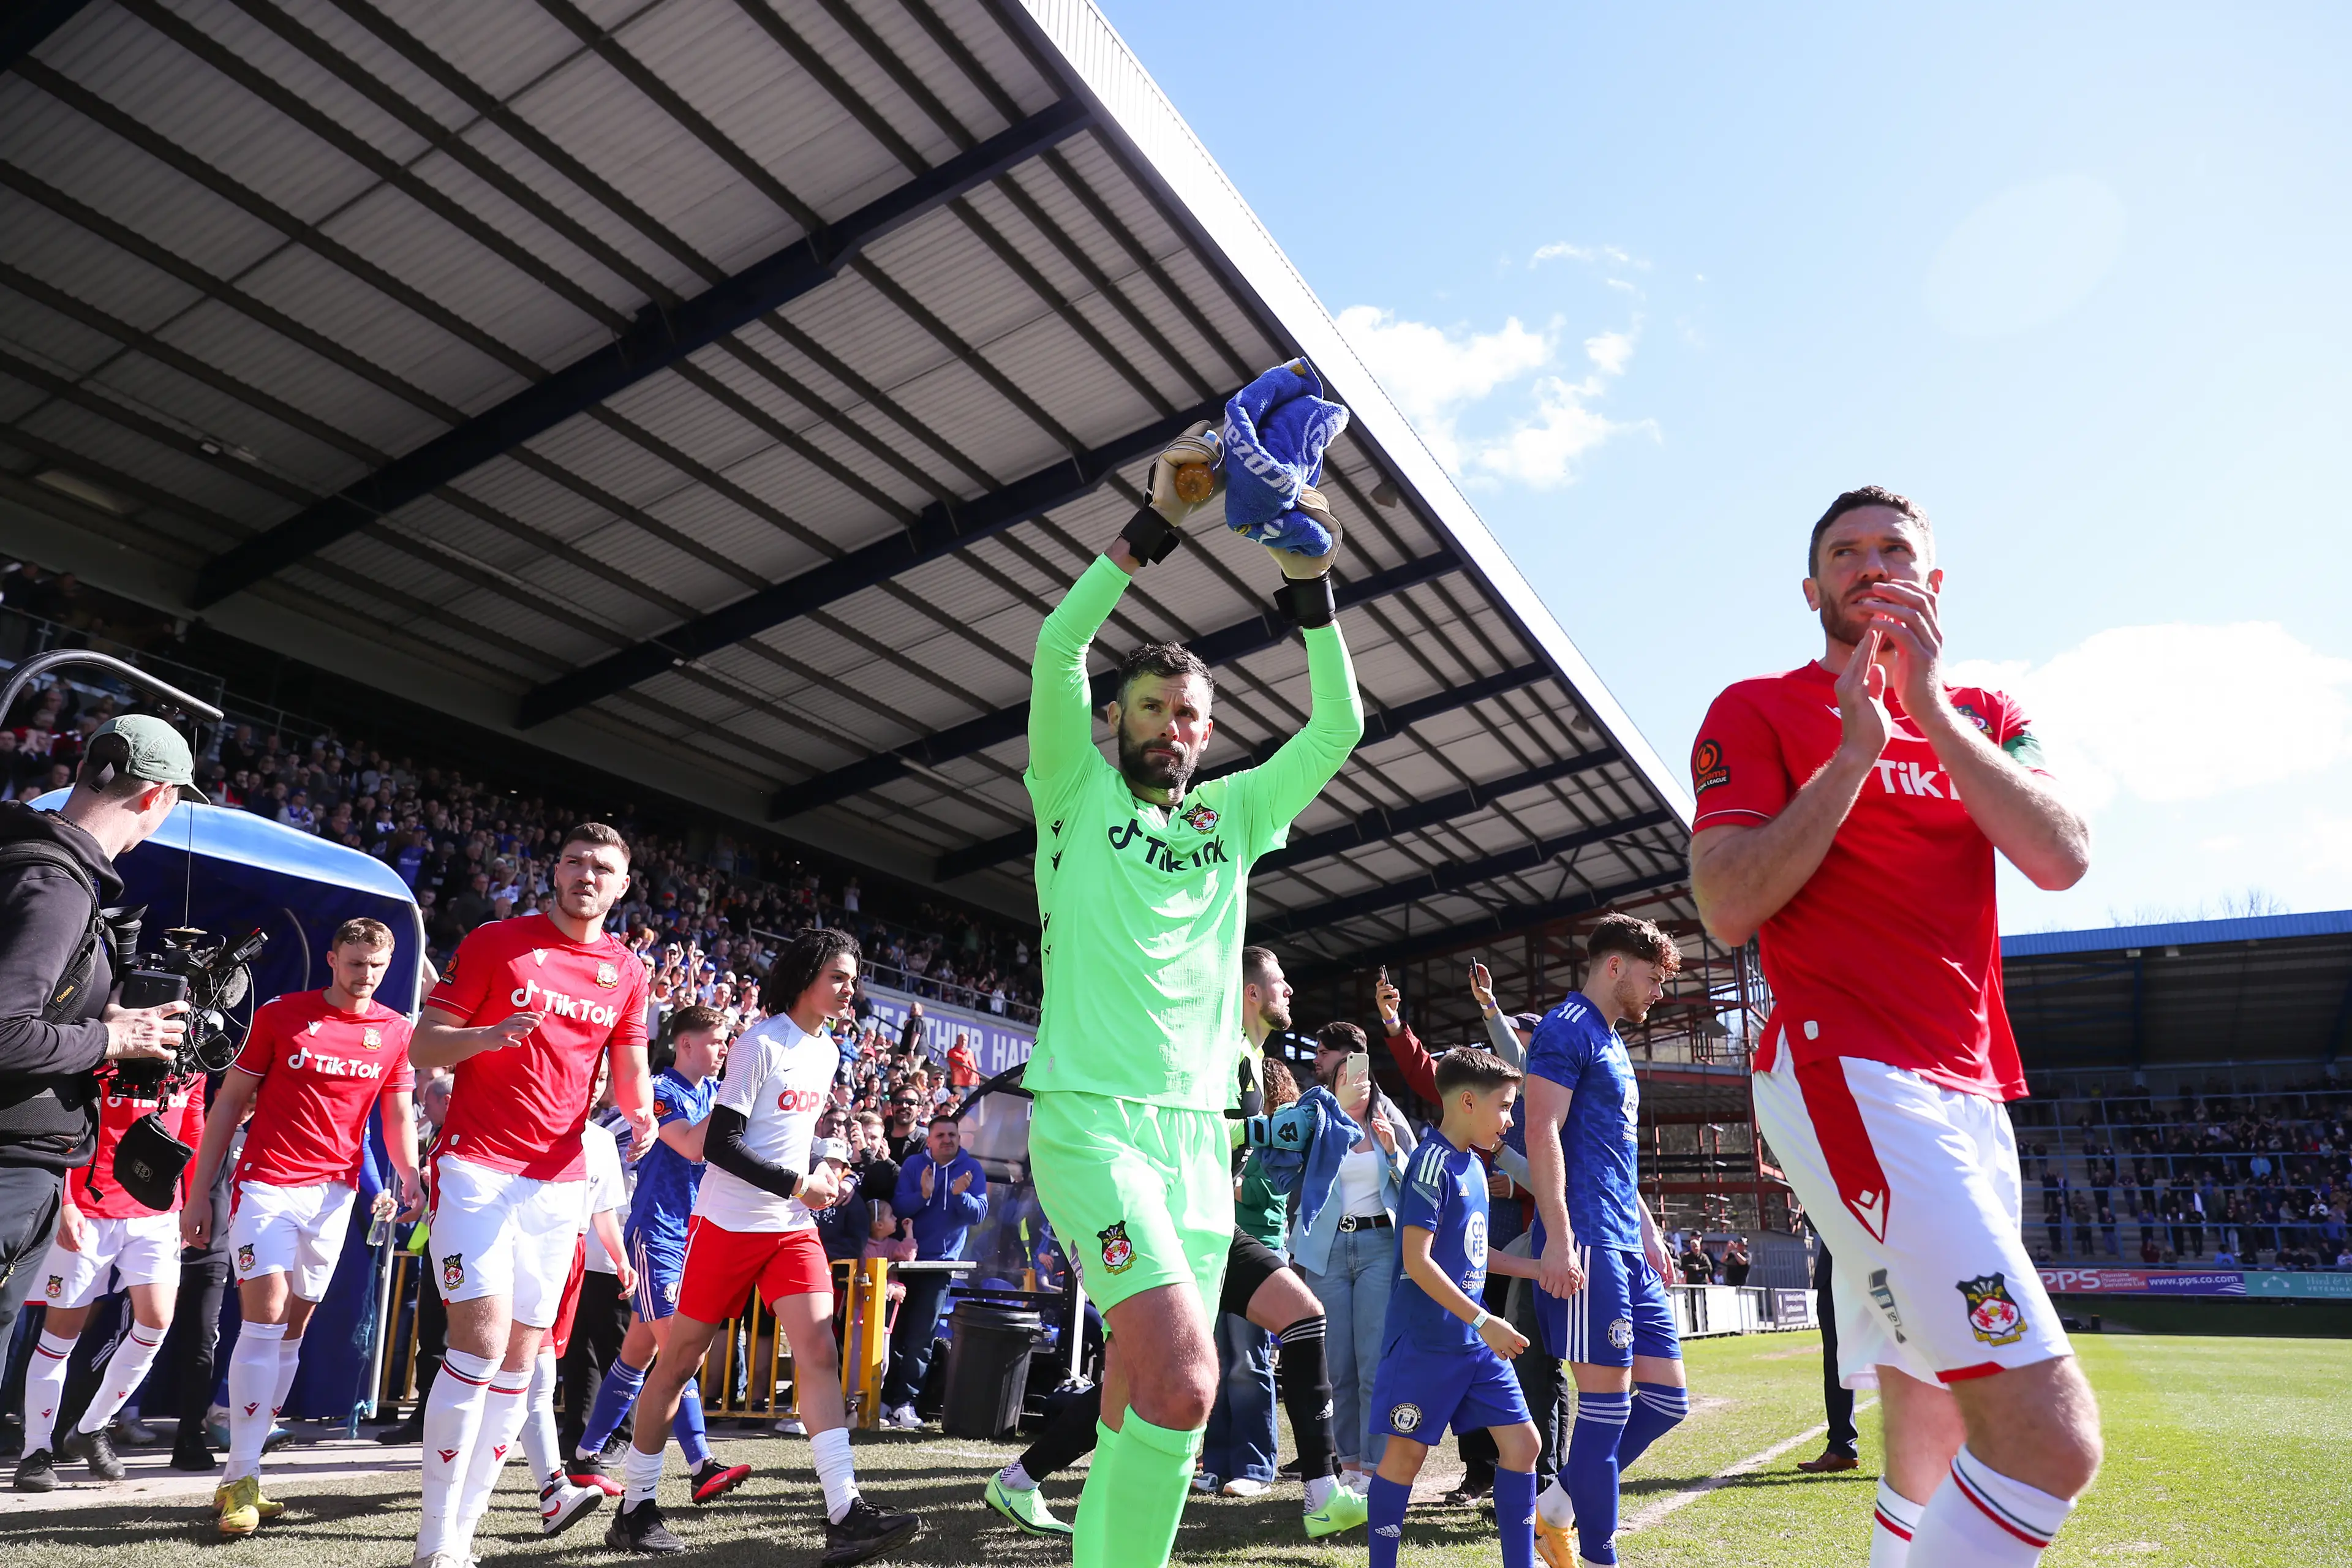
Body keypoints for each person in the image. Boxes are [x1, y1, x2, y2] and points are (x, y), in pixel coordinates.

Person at [1689, 486, 2100, 1567]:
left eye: (1893, 551)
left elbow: (2061, 857)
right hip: (1848, 1072)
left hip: (1973, 1091)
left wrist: (1932, 710)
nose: (1870, 567)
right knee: (2050, 1439)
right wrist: (1856, 751)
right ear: (1812, 587)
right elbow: (1727, 904)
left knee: (1931, 1413)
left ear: (1934, 582)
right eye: (1846, 553)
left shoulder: (1991, 710)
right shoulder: (1757, 708)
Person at [1018, 420, 1362, 1568]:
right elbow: (1058, 650)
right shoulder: (1073, 782)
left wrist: (1310, 586)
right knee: (1186, 1377)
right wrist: (1157, 523)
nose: (1179, 730)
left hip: (1198, 1141)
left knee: (1138, 1400)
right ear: (1121, 720)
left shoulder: (1232, 819)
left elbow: (1339, 727)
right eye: (1159, 710)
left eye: (1195, 717)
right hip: (1090, 1120)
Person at [984, 946, 1366, 1542]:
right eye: (1279, 982)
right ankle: (1024, 1482)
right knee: (1132, 1376)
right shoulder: (1210, 1047)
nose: (1289, 990)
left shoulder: (1253, 1057)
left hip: (1206, 1219)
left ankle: (1322, 1492)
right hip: (1161, 1219)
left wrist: (1273, 1155)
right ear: (1248, 993)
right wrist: (1265, 1129)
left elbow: (1215, 1147)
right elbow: (1180, 1128)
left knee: (1301, 1315)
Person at [608, 928, 918, 1563]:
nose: (848, 989)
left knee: (819, 1349)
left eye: (853, 979)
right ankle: (636, 1505)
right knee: (680, 1362)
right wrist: (798, 1182)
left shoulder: (828, 1050)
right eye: (838, 976)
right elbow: (720, 1144)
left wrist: (828, 1163)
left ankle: (844, 1511)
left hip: (789, 1229)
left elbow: (794, 1135)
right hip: (725, 1225)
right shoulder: (761, 1042)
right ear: (805, 974)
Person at [404, 822, 657, 1568]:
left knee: (521, 1363)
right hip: (477, 1168)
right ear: (556, 871)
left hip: (559, 1184)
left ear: (621, 885)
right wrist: (486, 1038)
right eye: (575, 860)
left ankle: (461, 1538)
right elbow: (425, 1044)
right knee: (477, 1347)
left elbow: (630, 1066)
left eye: (602, 866)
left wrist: (642, 1111)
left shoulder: (628, 972)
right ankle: (433, 1543)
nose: (587, 873)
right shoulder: (496, 942)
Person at [180, 917, 423, 1533]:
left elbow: (394, 1116)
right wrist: (198, 1194)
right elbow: (229, 1102)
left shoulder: (395, 1031)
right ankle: (239, 1477)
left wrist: (410, 1176)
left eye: (374, 965)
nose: (363, 974)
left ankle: (249, 1469)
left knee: (293, 1331)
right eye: (353, 962)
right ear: (331, 958)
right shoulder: (283, 1014)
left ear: (387, 966)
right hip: (265, 1186)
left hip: (334, 1197)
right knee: (264, 1320)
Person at [0, 717, 189, 1392]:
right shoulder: (55, 881)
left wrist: (99, 1018)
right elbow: (5, 1030)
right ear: (157, 797)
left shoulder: (40, 861)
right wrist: (114, 1038)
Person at [1522, 913, 1691, 1568]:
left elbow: (1609, 1152)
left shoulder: (1614, 1043)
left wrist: (1647, 1227)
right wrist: (1560, 1240)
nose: (1658, 993)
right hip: (1587, 1242)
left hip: (1626, 1241)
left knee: (1668, 1399)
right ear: (1615, 966)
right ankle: (1596, 1555)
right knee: (1607, 1408)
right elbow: (1542, 1133)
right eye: (1652, 978)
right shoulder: (1566, 1029)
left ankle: (1555, 1508)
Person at [1365, 1048, 1545, 1568]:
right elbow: (1417, 1262)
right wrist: (1486, 1320)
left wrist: (1541, 1270)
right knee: (1406, 1457)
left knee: (1524, 1446)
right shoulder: (1432, 1161)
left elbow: (1474, 1254)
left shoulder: (1474, 1164)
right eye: (1506, 1108)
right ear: (1468, 1101)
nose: (1509, 1123)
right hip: (1426, 1342)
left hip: (1473, 1342)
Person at [10, 1040, 206, 1490]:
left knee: (156, 1323)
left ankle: (91, 1427)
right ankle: (36, 1450)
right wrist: (68, 1201)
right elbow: (63, 1117)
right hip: (91, 1209)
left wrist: (192, 1199)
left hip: (158, 1212)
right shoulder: (109, 1036)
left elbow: (192, 1124)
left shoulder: (194, 1046)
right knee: (61, 1333)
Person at [568, 1008, 742, 1503]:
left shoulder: (710, 1093)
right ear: (685, 1044)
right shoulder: (661, 1092)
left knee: (636, 1357)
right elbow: (689, 1147)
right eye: (716, 1041)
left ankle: (583, 1458)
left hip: (692, 1237)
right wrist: (735, 1102)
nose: (724, 1050)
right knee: (679, 1352)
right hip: (657, 1235)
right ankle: (701, 1464)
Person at [1291, 1020, 1415, 1491]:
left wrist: (1391, 1151)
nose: (1319, 1062)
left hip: (1380, 1247)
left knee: (1373, 1363)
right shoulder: (1316, 1111)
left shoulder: (1390, 1116)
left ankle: (1376, 1468)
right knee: (1337, 1366)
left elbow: (1417, 1185)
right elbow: (1292, 1169)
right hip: (1326, 1250)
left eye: (1328, 1054)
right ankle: (1350, 1464)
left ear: (1354, 1060)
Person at [519, 1095, 637, 1539]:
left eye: (600, 1076)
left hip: (569, 1258)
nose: (590, 1084)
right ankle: (550, 1488)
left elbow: (603, 1208)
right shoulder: (530, 1122)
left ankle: (552, 1489)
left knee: (538, 1377)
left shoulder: (603, 1140)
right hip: (525, 1252)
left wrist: (621, 1258)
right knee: (508, 1373)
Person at [878, 1112, 988, 1430]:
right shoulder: (914, 1166)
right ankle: (885, 1401)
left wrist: (960, 1196)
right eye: (941, 1136)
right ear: (929, 1140)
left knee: (922, 1337)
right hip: (905, 1263)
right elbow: (899, 1209)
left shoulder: (972, 1168)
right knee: (894, 1334)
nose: (948, 1140)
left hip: (940, 1265)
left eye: (952, 1135)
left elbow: (978, 1214)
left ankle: (906, 1402)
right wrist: (924, 1194)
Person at [1795, 1231, 1861, 1474]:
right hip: (1837, 1274)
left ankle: (1928, 1449)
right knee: (1837, 1363)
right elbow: (1815, 1213)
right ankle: (1842, 1448)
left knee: (1910, 1357)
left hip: (1888, 1262)